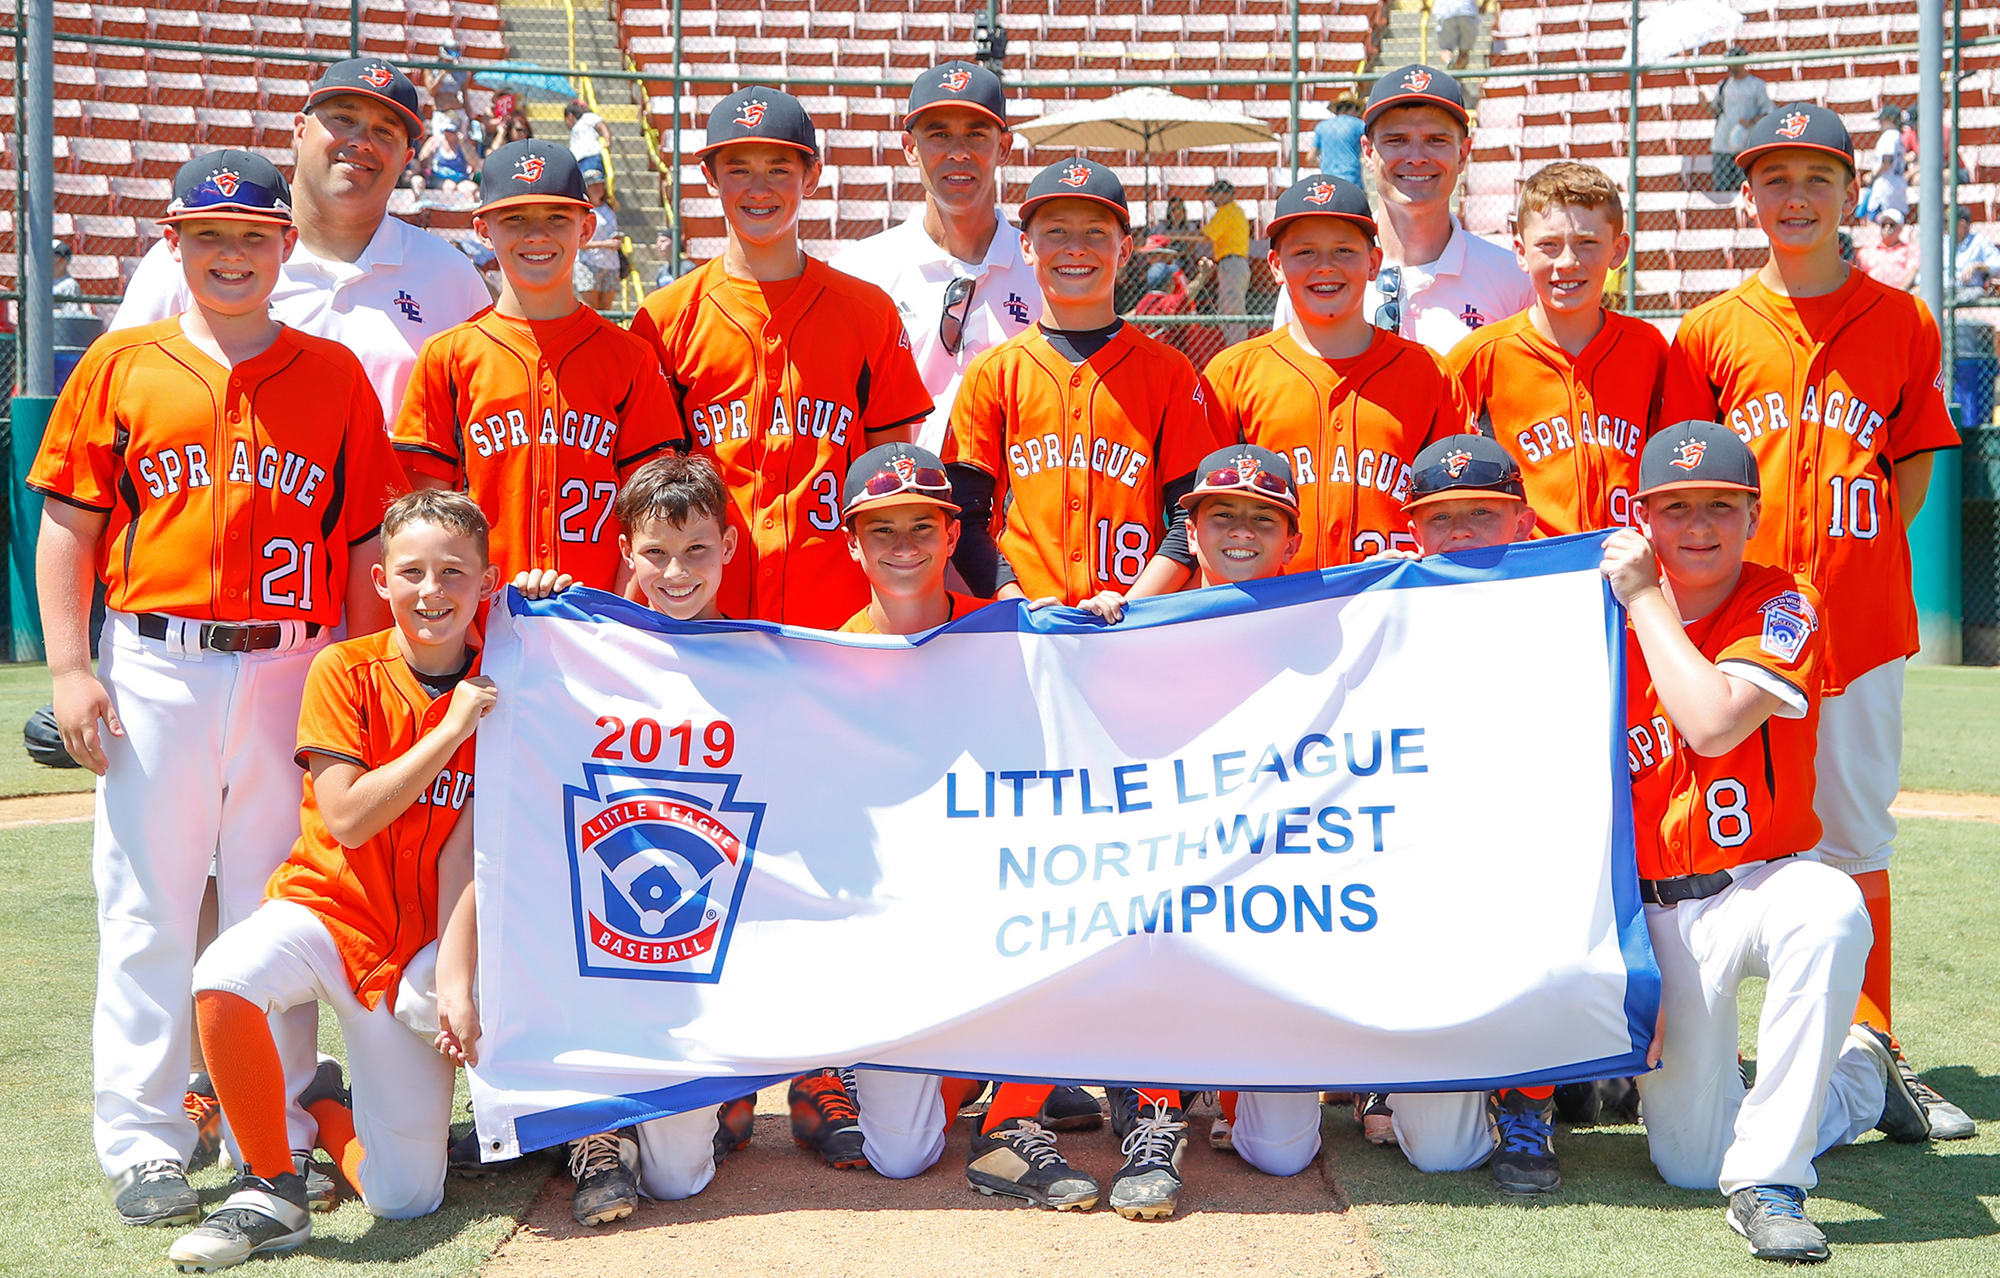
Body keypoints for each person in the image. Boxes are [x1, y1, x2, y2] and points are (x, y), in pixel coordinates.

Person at [27, 150, 406, 1229]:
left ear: (285, 246)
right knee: (146, 914)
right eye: (208, 236)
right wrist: (70, 666)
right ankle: (142, 1139)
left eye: (250, 236)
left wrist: (362, 688)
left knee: (269, 914)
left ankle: (273, 1130)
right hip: (156, 665)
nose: (230, 254)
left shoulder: (332, 374)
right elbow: (69, 528)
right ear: (173, 246)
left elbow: (368, 546)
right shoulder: (121, 364)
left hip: (293, 665)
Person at [1665, 104, 1971, 1141]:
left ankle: (1870, 1047)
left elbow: (1916, 461)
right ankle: (1695, 1040)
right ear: (1745, 196)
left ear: (1850, 192)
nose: (1791, 198)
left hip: (1855, 625)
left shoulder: (1902, 319)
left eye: (1813, 178)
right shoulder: (1708, 330)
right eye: (1770, 179)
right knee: (1720, 837)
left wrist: (1855, 559)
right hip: (1737, 635)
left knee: (1853, 836)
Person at [941, 158, 1222, 1212]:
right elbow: (963, 515)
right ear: (1029, 246)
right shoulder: (995, 373)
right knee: (1038, 895)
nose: (1072, 250)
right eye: (1051, 231)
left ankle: (1152, 1112)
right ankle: (1011, 1122)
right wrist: (1022, 601)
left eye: (1091, 231)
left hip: (1134, 660)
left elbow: (1191, 515)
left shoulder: (1166, 373)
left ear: (1121, 247)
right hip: (1022, 661)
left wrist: (1134, 607)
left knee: (1142, 890)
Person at [1601, 421, 1930, 1264]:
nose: (1699, 526)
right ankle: (1856, 1081)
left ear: (1753, 514)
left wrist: (1643, 600)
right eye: (1675, 508)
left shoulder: (1787, 599)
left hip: (1762, 882)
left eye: (1720, 504)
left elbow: (1712, 725)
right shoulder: (1593, 619)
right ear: (1642, 518)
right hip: (1660, 913)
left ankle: (1772, 1183)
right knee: (1686, 1162)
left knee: (1831, 906)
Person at [162, 491, 497, 1271]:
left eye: (454, 571)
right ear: (380, 581)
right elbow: (346, 818)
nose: (432, 589)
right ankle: (274, 1183)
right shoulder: (344, 666)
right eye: (410, 571)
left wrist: (455, 975)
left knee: (404, 1197)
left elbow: (470, 852)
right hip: (329, 912)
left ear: (488, 581)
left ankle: (323, 1103)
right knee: (223, 975)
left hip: (416, 945)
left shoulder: (504, 680)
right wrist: (448, 732)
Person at [462, 455, 747, 1223]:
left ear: (728, 545)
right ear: (625, 552)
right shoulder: (583, 643)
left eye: (696, 551)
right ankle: (597, 1129)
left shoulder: (760, 658)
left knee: (681, 1179)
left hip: (693, 929)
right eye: (654, 552)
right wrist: (542, 609)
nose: (675, 571)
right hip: (596, 912)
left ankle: (677, 1114)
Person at [630, 87, 933, 631]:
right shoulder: (665, 316)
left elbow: (892, 480)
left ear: (810, 178)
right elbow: (647, 485)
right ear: (710, 179)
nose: (759, 188)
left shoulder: (868, 312)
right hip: (702, 613)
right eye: (739, 169)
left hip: (838, 615)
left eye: (778, 168)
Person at [392, 140, 684, 684]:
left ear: (587, 227)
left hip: (601, 626)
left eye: (556, 217)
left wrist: (623, 614)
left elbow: (652, 510)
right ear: (483, 229)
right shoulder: (450, 356)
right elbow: (423, 518)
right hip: (478, 629)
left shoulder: (629, 358)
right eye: (515, 219)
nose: (536, 235)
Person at [110, 57, 491, 423]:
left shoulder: (449, 275)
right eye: (344, 119)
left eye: (384, 131)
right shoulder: (193, 257)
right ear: (299, 131)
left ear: (407, 157)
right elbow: (118, 391)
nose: (361, 142)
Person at [1204, 175, 1471, 569]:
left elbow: (1460, 505)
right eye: (1305, 252)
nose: (1325, 267)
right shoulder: (1233, 373)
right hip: (1270, 614)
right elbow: (1197, 516)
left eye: (1344, 251)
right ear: (1276, 265)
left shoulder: (1428, 372)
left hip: (1391, 605)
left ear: (1373, 263)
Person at [830, 61, 1043, 455]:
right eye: (939, 135)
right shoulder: (859, 272)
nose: (958, 153)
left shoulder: (1044, 272)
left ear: (1004, 148)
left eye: (976, 135)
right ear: (910, 148)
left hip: (1016, 509)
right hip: (897, 501)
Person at [1448, 161, 1667, 535]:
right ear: (1520, 251)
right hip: (1528, 574)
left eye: (1587, 243)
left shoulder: (1649, 349)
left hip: (1632, 564)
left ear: (1618, 250)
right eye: (1548, 245)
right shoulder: (1480, 355)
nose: (1567, 262)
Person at [1279, 65, 1533, 353]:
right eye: (1396, 140)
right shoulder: (1314, 278)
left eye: (1436, 140)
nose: (1416, 157)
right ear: (1368, 152)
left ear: (1462, 154)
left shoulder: (1512, 278)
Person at [1710, 50, 1770, 194]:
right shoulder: (1723, 85)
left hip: (1744, 144)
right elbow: (1715, 111)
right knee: (1721, 189)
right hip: (1722, 143)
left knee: (1744, 187)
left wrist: (1751, 121)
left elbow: (1767, 111)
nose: (1729, 68)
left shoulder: (1756, 85)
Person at [1200, 178, 1252, 345]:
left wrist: (1176, 236)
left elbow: (1206, 236)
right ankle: (1234, 348)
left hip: (1232, 263)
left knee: (1232, 310)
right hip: (1234, 264)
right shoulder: (1234, 211)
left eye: (1215, 194)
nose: (1212, 198)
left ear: (1225, 195)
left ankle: (1237, 349)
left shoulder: (1227, 210)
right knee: (1227, 310)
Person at [576, 173, 622, 311]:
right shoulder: (583, 210)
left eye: (600, 184)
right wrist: (606, 244)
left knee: (606, 310)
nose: (598, 188)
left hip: (611, 264)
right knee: (591, 309)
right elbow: (579, 242)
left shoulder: (609, 208)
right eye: (593, 185)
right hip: (589, 263)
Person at [1855, 104, 1908, 224]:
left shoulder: (1889, 136)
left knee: (1878, 221)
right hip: (1897, 184)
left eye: (1882, 120)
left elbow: (1887, 161)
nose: (1880, 124)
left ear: (1889, 119)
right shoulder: (1898, 136)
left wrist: (1873, 176)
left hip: (1885, 185)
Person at [413, 115, 478, 201]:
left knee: (472, 189)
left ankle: (469, 212)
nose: (448, 134)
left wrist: (463, 144)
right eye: (446, 130)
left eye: (451, 131)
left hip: (460, 178)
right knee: (450, 186)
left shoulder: (463, 143)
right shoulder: (435, 141)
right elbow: (422, 161)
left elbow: (474, 163)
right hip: (439, 178)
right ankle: (447, 212)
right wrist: (429, 152)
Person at [1306, 96, 1365, 185]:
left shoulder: (1322, 126)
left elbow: (1310, 157)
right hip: (1351, 179)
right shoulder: (1359, 124)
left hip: (1327, 180)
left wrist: (1325, 165)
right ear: (1353, 109)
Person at [1855, 207, 1918, 291]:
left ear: (1901, 228)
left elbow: (1912, 272)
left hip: (1898, 294)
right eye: (1884, 224)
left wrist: (1901, 290)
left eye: (1892, 224)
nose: (1887, 227)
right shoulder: (1866, 251)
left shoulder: (1910, 250)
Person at [1428, 0, 1489, 72]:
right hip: (1468, 11)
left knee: (1445, 49)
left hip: (1445, 11)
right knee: (1464, 52)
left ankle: (1449, 62)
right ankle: (1458, 77)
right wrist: (1484, 5)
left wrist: (1425, 6)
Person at [565, 99, 611, 184]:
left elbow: (601, 126)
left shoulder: (587, 117)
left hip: (590, 158)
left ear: (570, 116)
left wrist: (607, 140)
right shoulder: (577, 127)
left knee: (592, 188)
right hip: (579, 162)